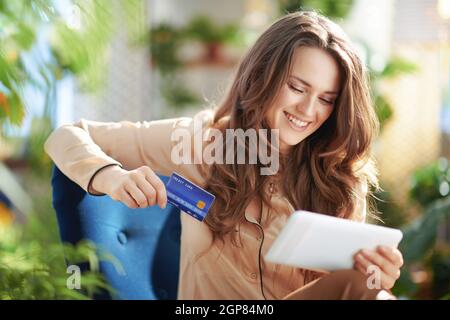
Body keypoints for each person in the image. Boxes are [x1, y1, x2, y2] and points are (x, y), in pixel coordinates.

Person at [44, 11, 403, 300]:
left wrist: (374, 275)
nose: (309, 110)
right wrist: (112, 177)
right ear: (263, 76)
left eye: (327, 99)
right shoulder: (201, 141)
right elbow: (68, 135)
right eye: (297, 87)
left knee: (366, 286)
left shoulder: (338, 177)